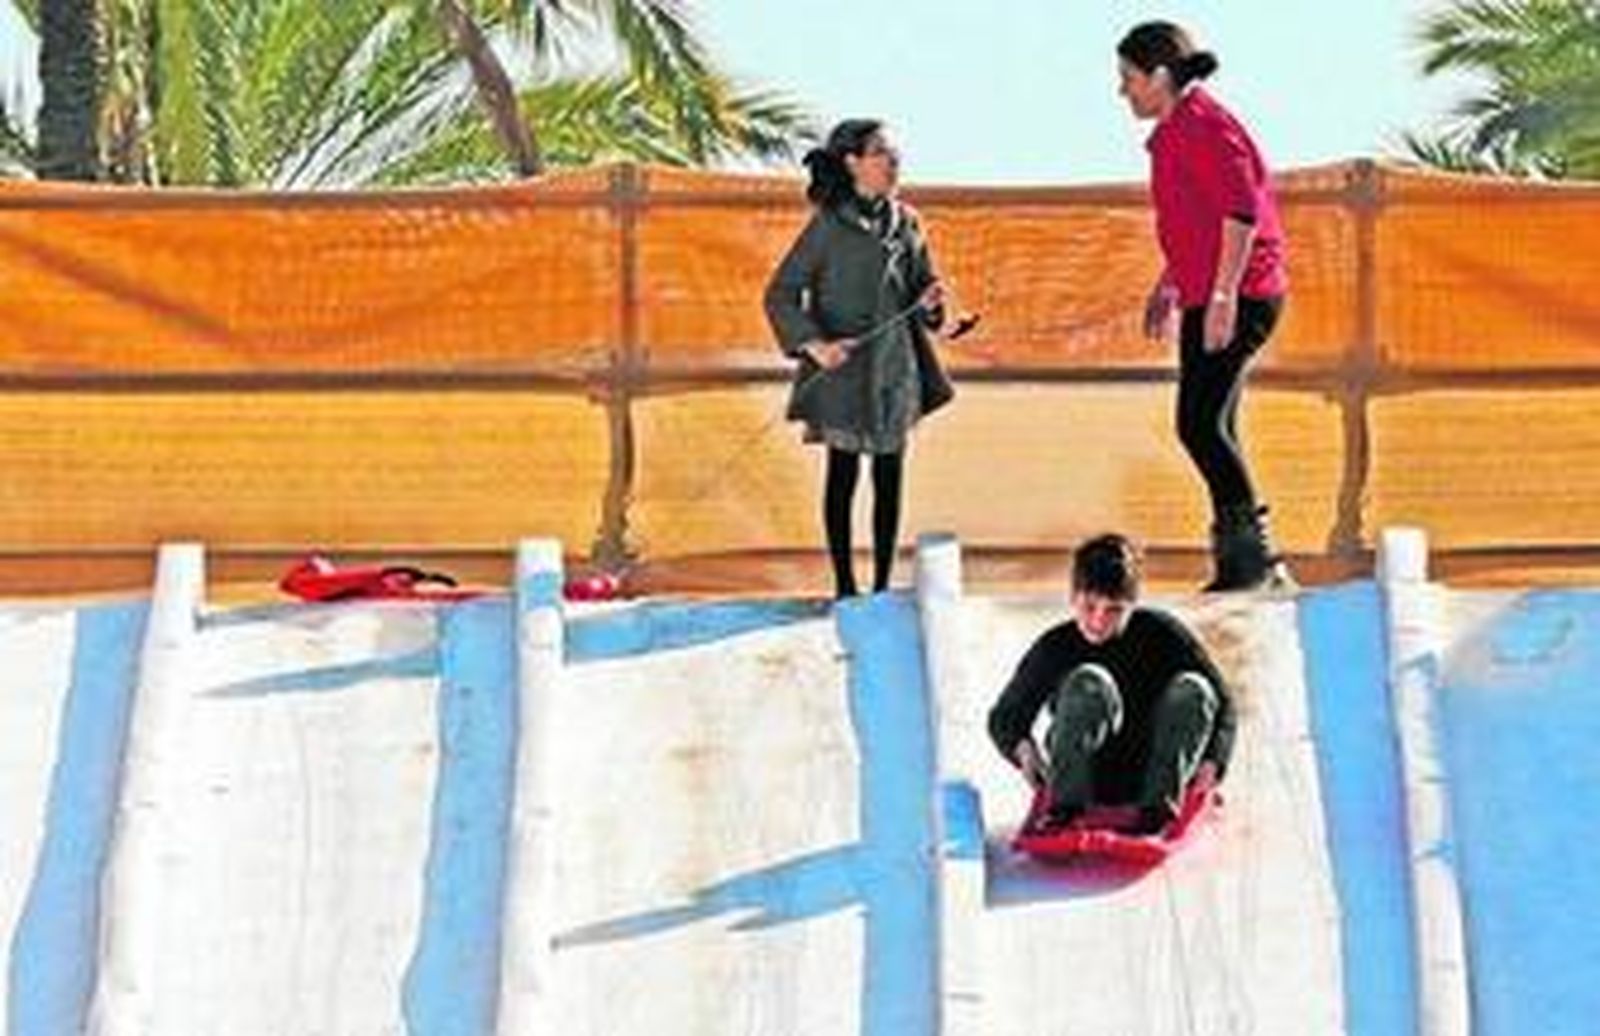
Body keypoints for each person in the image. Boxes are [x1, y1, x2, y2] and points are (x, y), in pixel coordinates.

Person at [1118, 21, 1293, 592]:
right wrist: (1171, 281)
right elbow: (1197, 216)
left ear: (1161, 77)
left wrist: (1221, 296)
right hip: (1211, 289)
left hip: (1243, 292)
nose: (1124, 92)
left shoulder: (1204, 126)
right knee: (1215, 422)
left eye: (1130, 79)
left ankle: (1257, 561)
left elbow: (1240, 211)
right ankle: (1240, 565)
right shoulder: (1175, 130)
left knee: (1197, 423)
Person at [764, 118, 953, 599]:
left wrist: (933, 304)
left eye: (894, 155)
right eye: (881, 154)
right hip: (842, 375)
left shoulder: (907, 222)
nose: (894, 163)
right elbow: (781, 294)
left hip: (897, 372)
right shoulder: (827, 226)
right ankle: (846, 588)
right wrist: (814, 344)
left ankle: (884, 587)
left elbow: (922, 295)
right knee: (843, 474)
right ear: (852, 163)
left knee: (889, 478)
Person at [987, 533, 1234, 835]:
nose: (1099, 621)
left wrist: (1214, 760)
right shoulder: (1056, 646)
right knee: (1090, 681)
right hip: (1085, 776)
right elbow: (1005, 717)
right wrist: (1023, 750)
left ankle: (1157, 813)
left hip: (1154, 776)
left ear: (1132, 605)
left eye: (1114, 610)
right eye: (1089, 606)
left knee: (1193, 687)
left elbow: (1222, 702)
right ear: (1073, 598)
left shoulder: (1162, 634)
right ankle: (1065, 810)